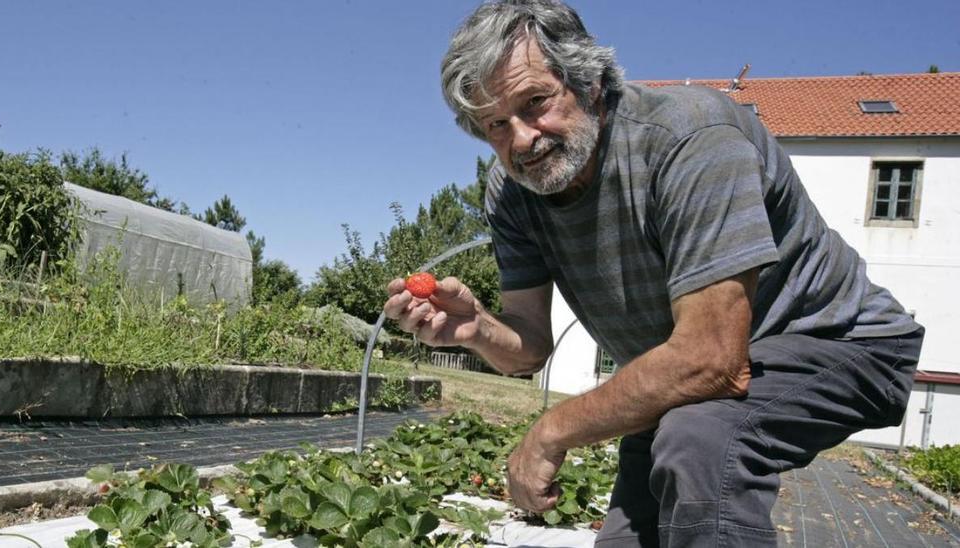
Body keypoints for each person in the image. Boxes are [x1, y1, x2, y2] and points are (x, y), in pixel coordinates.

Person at [382, 1, 925, 546]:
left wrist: (550, 431)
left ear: (591, 83)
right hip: (683, 379)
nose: (521, 138)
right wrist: (477, 328)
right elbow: (529, 348)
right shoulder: (514, 194)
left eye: (536, 103)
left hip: (841, 342)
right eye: (497, 124)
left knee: (700, 439)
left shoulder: (689, 140)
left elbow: (714, 361)